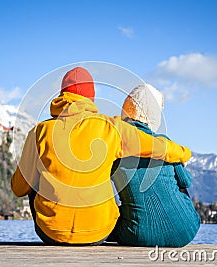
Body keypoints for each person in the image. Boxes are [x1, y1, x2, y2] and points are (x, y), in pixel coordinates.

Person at [11, 67, 192, 245]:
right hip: (98, 233)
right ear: (92, 98)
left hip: (51, 233)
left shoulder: (39, 132)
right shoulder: (111, 127)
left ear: (61, 95)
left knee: (34, 178)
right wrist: (185, 153)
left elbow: (19, 188)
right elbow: (158, 147)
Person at [109, 84, 200, 247]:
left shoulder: (116, 147)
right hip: (186, 230)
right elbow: (186, 182)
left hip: (137, 234)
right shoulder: (165, 145)